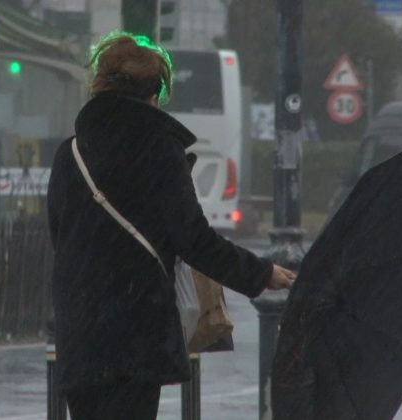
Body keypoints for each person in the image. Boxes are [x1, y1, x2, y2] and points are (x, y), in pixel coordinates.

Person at [46, 31, 295, 420]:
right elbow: (193, 239)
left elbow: (60, 236)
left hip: (81, 334)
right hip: (132, 333)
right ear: (154, 93)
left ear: (100, 85)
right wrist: (262, 273)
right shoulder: (158, 150)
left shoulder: (71, 154)